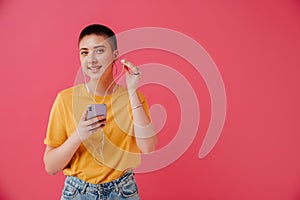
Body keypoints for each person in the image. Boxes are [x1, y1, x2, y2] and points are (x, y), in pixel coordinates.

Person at [43, 24, 157, 200]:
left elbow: (148, 147)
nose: (91, 59)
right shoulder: (65, 99)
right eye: (84, 52)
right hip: (77, 193)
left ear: (115, 55)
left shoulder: (133, 98)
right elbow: (51, 167)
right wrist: (78, 135)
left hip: (123, 192)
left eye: (99, 50)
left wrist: (132, 90)